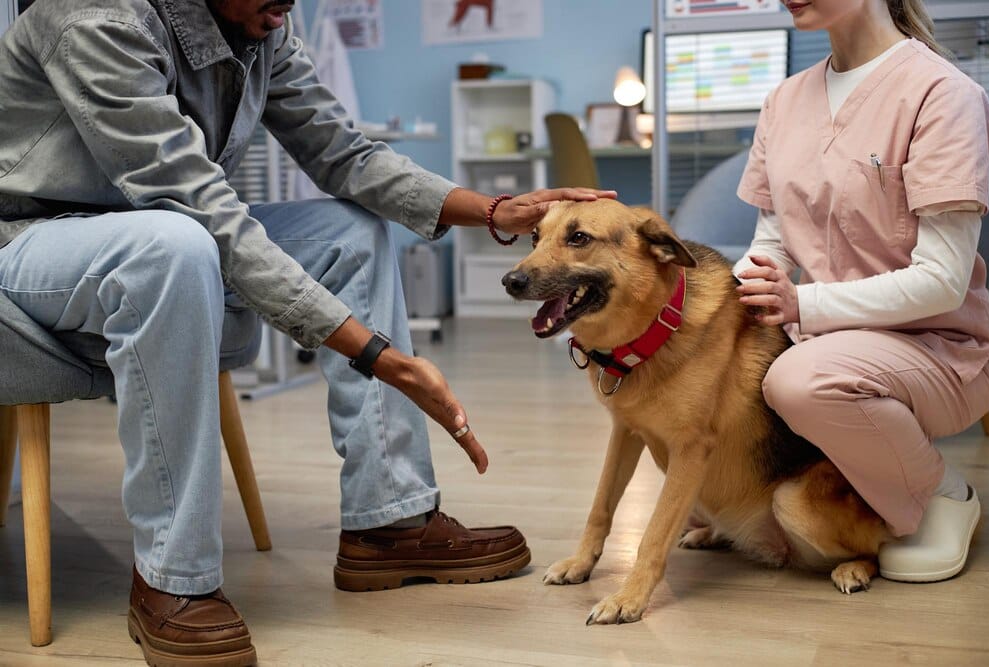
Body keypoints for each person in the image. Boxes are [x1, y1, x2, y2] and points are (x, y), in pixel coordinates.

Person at [0, 1, 614, 664]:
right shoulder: (94, 20)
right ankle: (172, 579)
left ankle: (389, 520)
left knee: (349, 232)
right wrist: (379, 355)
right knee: (174, 244)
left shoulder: (260, 22)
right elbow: (197, 206)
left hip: (166, 233)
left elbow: (343, 153)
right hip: (36, 242)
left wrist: (494, 210)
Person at [734, 0, 989, 587]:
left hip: (938, 348)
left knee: (799, 382)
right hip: (823, 337)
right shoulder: (784, 101)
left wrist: (804, 305)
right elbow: (771, 242)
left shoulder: (940, 93)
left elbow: (942, 279)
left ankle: (944, 493)